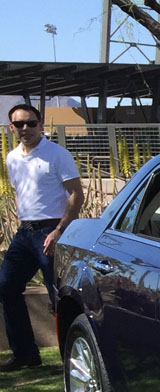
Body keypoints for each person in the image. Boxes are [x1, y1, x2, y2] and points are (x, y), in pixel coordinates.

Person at [1, 103, 83, 371]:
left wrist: (59, 231)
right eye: (19, 124)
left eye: (31, 123)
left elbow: (76, 194)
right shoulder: (12, 158)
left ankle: (72, 360)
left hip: (52, 230)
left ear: (41, 125)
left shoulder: (57, 154)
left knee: (59, 296)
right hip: (25, 233)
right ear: (11, 128)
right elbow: (20, 192)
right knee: (6, 286)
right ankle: (25, 354)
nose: (25, 128)